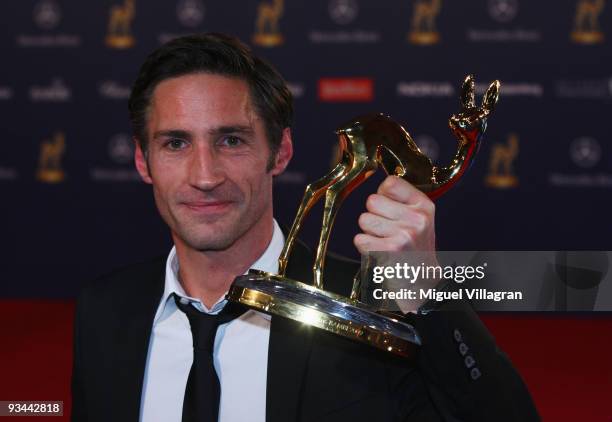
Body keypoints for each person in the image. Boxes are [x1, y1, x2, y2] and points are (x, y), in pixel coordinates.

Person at [70, 33, 539, 422]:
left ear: (281, 152)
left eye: (231, 140)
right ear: (142, 160)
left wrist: (427, 293)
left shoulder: (375, 313)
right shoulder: (105, 311)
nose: (205, 175)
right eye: (175, 143)